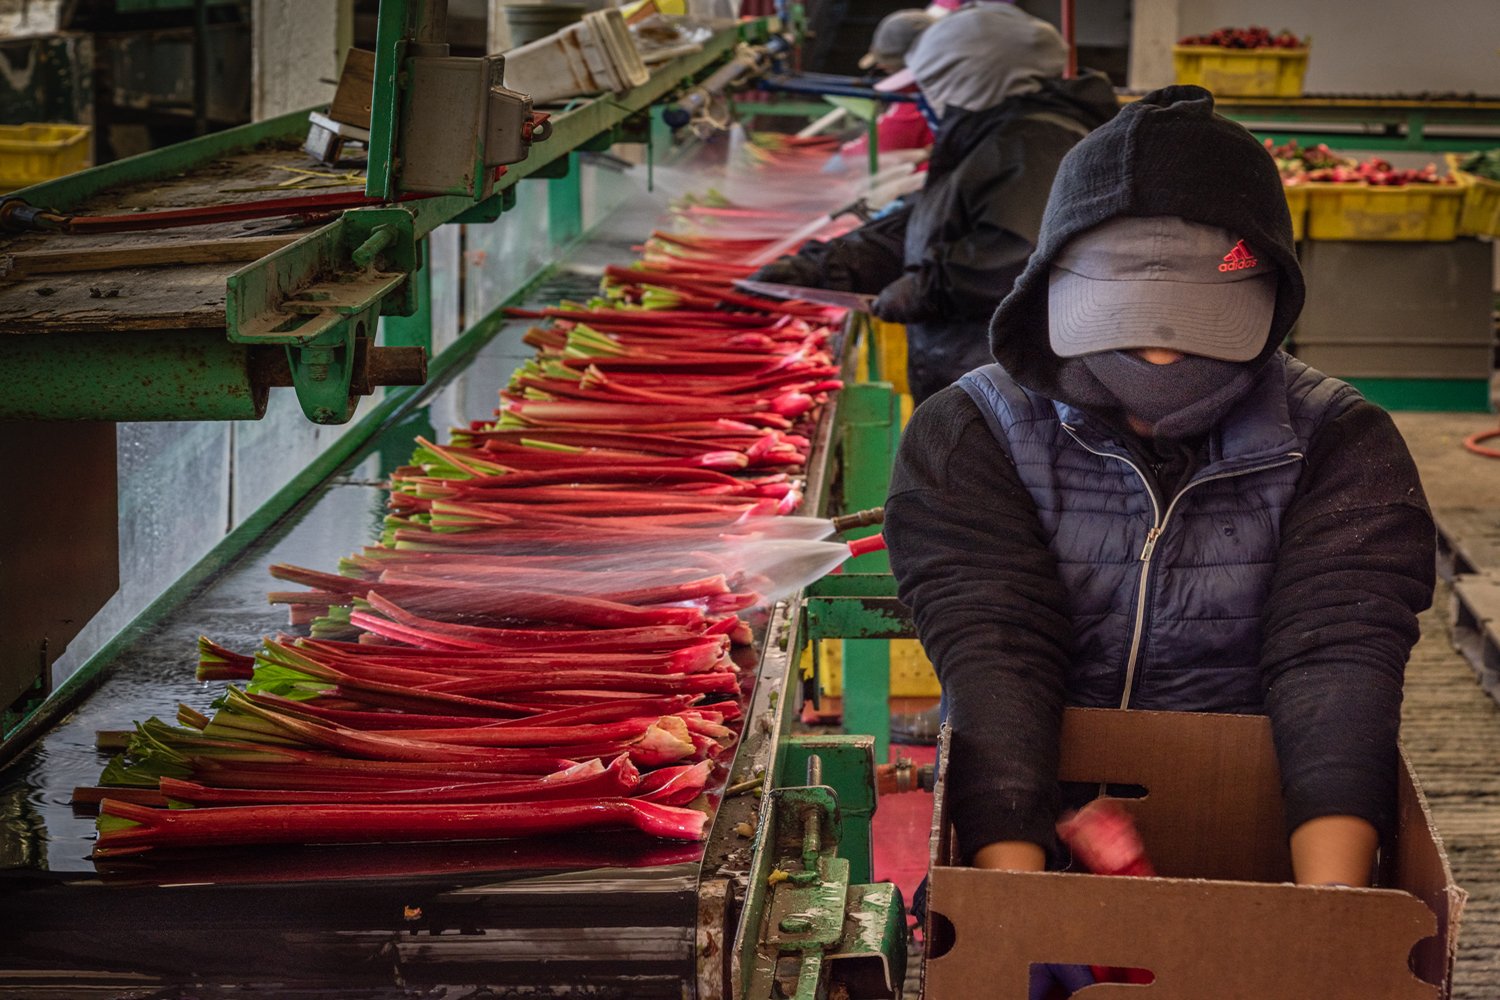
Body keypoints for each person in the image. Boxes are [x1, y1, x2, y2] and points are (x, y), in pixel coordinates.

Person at [885, 83, 1435, 904]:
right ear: (1051, 293)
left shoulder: (1341, 443)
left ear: (1272, 298)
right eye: (1125, 325)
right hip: (1034, 826)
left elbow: (1336, 661)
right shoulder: (971, 432)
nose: (1161, 361)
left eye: (1195, 326)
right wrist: (1018, 912)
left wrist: (1331, 921)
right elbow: (997, 652)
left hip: (1251, 821)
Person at [748, 4, 1117, 403]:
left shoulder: (1030, 146)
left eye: (932, 85)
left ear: (968, 80)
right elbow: (929, 222)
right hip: (975, 379)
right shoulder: (994, 138)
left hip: (1012, 393)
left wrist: (923, 288)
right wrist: (829, 266)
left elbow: (1012, 256)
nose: (924, 99)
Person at [838, 9, 936, 161]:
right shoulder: (938, 90)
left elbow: (868, 154)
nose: (881, 67)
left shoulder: (913, 107)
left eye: (887, 64)